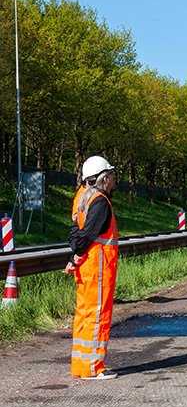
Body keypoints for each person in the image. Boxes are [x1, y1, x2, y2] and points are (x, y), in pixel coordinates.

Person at [65, 156, 120, 380]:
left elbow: (74, 234)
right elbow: (87, 235)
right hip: (99, 268)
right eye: (112, 175)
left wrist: (75, 255)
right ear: (104, 179)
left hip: (88, 267)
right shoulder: (100, 201)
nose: (115, 179)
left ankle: (80, 365)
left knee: (85, 314)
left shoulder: (83, 200)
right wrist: (77, 252)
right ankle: (93, 368)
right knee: (98, 315)